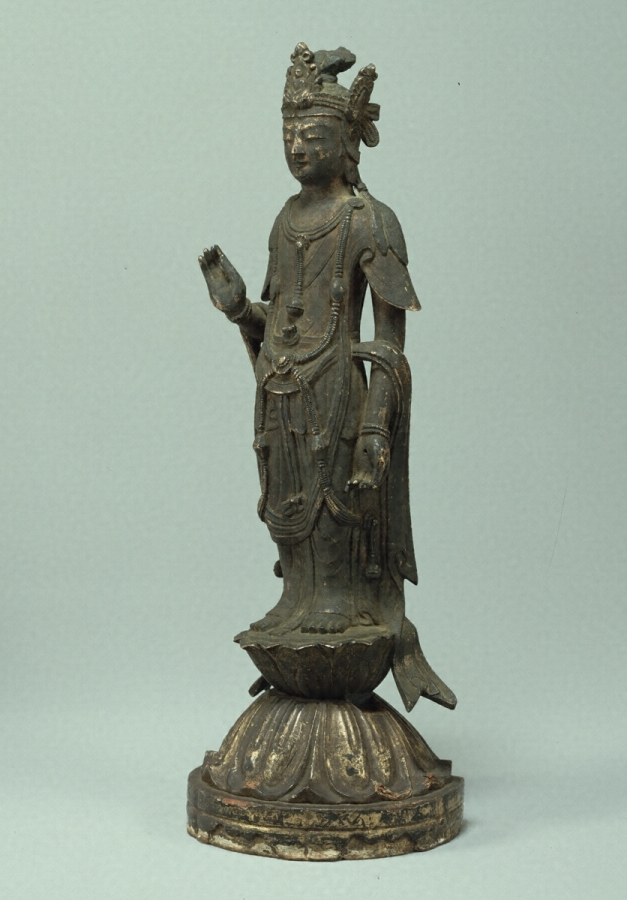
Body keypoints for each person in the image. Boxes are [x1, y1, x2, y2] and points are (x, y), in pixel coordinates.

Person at [199, 44, 454, 710]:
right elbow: (281, 319)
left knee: (337, 504)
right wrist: (238, 309)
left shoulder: (370, 220)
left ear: (346, 140)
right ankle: (300, 598)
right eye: (288, 133)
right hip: (282, 389)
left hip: (338, 388)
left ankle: (339, 604)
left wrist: (375, 426)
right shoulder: (284, 220)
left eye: (312, 134)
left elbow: (390, 340)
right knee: (287, 507)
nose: (296, 146)